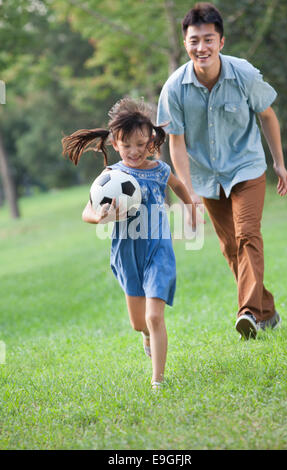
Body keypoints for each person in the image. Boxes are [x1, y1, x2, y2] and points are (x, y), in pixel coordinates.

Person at [157, 2, 287, 339]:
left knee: (248, 235)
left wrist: (279, 162)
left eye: (208, 39)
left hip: (246, 168)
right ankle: (267, 311)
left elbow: (268, 115)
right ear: (185, 42)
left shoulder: (243, 73)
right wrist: (188, 197)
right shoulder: (174, 88)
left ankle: (247, 312)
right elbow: (176, 143)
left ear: (221, 41)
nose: (201, 47)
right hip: (206, 178)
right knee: (230, 247)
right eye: (194, 41)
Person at [62, 97, 202, 389]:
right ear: (115, 144)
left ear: (151, 141)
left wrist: (191, 211)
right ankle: (146, 335)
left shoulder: (160, 170)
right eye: (127, 146)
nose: (134, 151)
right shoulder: (110, 177)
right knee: (139, 323)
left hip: (158, 253)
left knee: (154, 316)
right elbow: (86, 211)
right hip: (127, 256)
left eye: (141, 144)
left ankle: (157, 380)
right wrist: (100, 216)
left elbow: (178, 186)